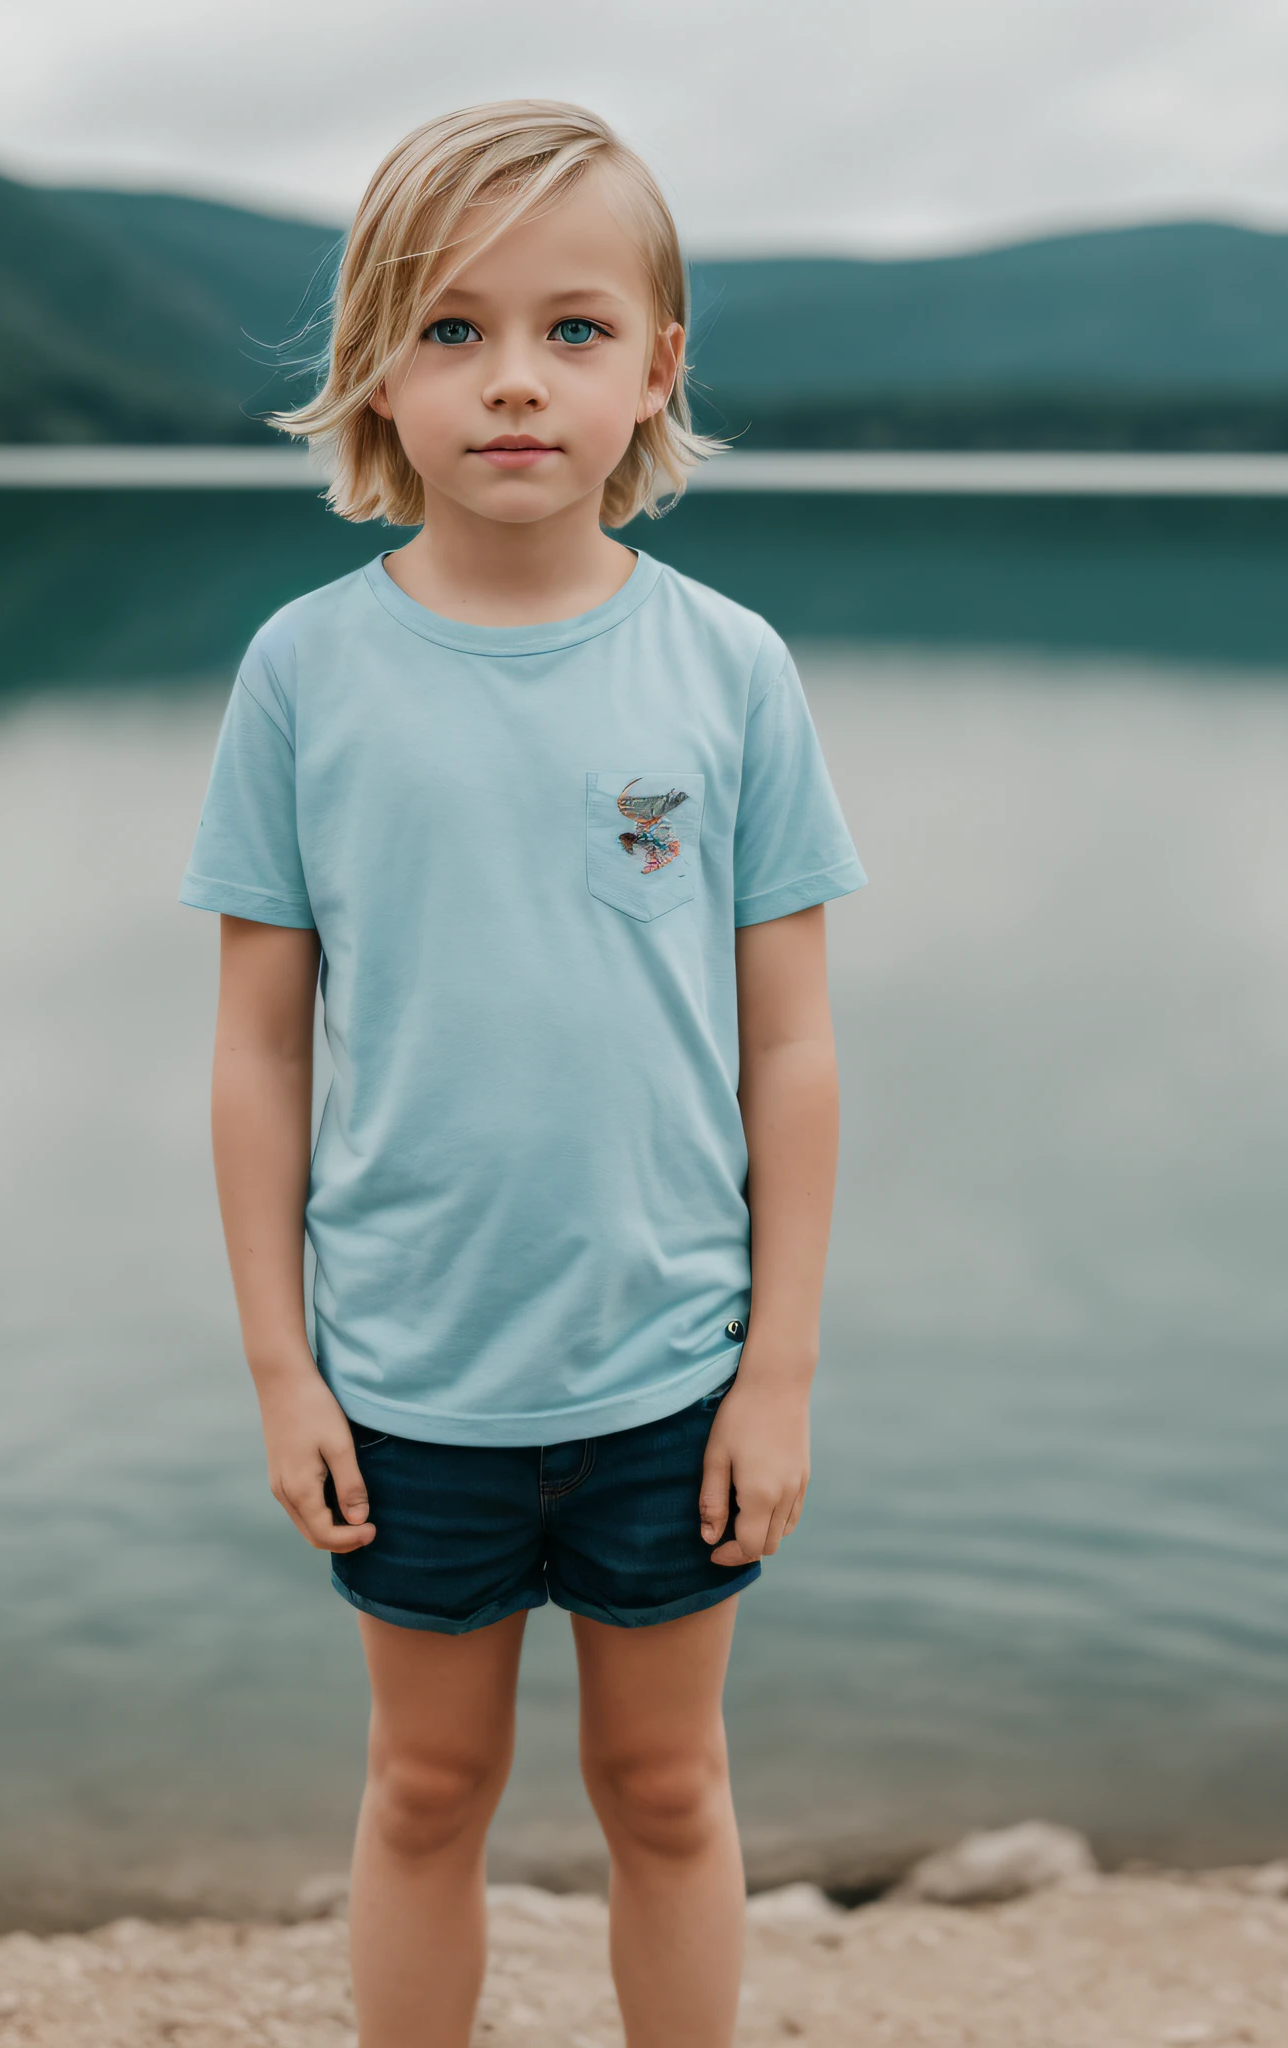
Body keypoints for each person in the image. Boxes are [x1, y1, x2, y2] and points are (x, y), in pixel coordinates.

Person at [179, 100, 865, 2048]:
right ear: (375, 373)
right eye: (453, 328)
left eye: (573, 331)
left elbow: (794, 1044)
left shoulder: (728, 670)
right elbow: (253, 1046)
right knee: (423, 1789)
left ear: (657, 367)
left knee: (664, 1787)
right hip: (407, 1369)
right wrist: (281, 1364)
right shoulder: (304, 676)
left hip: (673, 1362)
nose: (512, 384)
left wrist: (781, 1370)